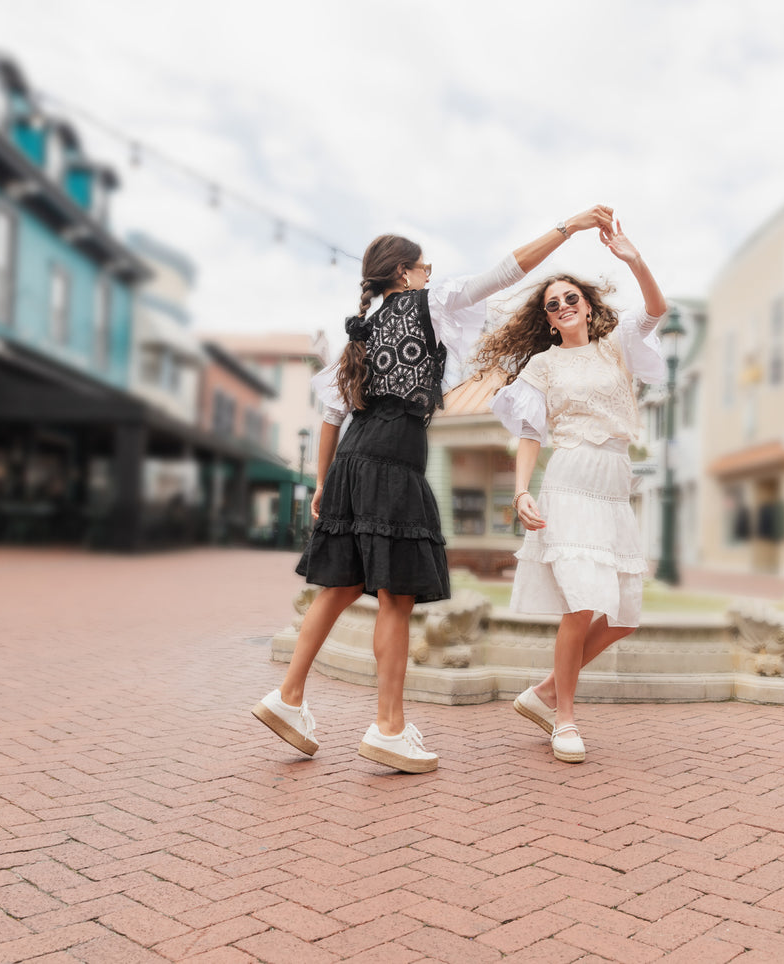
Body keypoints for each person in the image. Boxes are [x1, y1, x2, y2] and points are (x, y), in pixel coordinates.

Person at [252, 206, 615, 774]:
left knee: (339, 587)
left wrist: (324, 481)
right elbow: (506, 269)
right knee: (396, 598)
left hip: (352, 460)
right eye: (423, 266)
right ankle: (389, 728)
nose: (429, 272)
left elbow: (331, 413)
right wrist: (568, 229)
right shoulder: (433, 302)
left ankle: (288, 696)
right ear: (403, 272)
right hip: (395, 457)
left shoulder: (361, 332)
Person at [477, 219, 668, 763]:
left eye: (571, 298)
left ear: (587, 307)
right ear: (550, 318)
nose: (562, 305)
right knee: (580, 605)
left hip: (615, 486)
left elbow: (655, 310)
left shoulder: (616, 349)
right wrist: (520, 493)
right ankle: (564, 718)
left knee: (625, 616)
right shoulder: (543, 364)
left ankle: (541, 693)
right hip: (570, 483)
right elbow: (530, 434)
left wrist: (634, 259)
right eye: (553, 302)